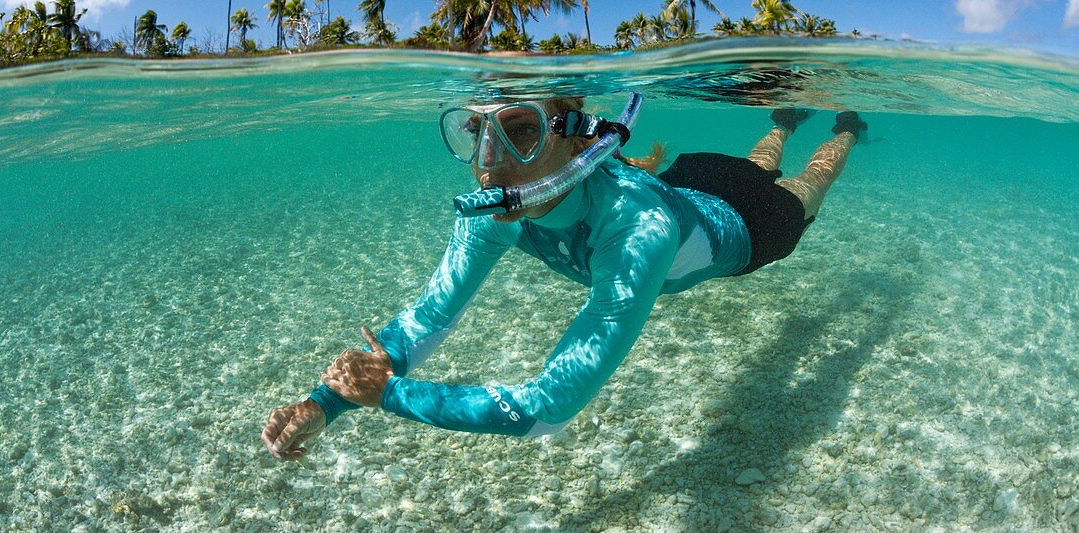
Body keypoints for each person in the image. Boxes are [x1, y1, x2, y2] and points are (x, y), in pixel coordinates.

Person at [261, 99, 867, 460]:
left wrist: (389, 394)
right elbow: (427, 319)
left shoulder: (638, 229)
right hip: (689, 184)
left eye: (521, 130)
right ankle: (784, 119)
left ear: (576, 135)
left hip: (745, 229)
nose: (489, 162)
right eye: (478, 131)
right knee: (758, 159)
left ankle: (844, 130)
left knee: (805, 185)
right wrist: (323, 405)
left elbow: (545, 411)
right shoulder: (494, 211)